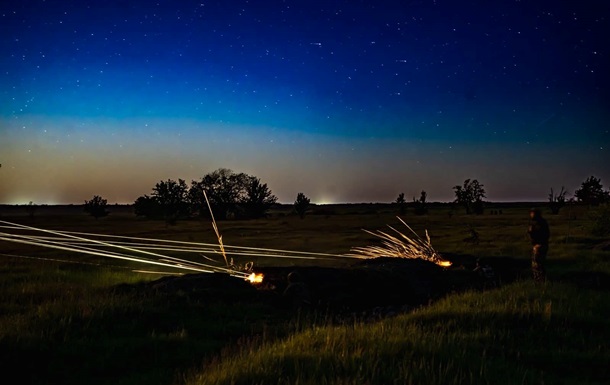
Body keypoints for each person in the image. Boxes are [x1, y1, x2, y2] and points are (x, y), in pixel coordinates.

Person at [527, 208, 550, 283]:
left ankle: (540, 281)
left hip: (539, 246)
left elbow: (540, 236)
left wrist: (531, 232)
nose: (531, 215)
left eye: (532, 213)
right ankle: (540, 280)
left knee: (537, 265)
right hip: (541, 246)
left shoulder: (539, 224)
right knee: (539, 265)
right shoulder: (541, 222)